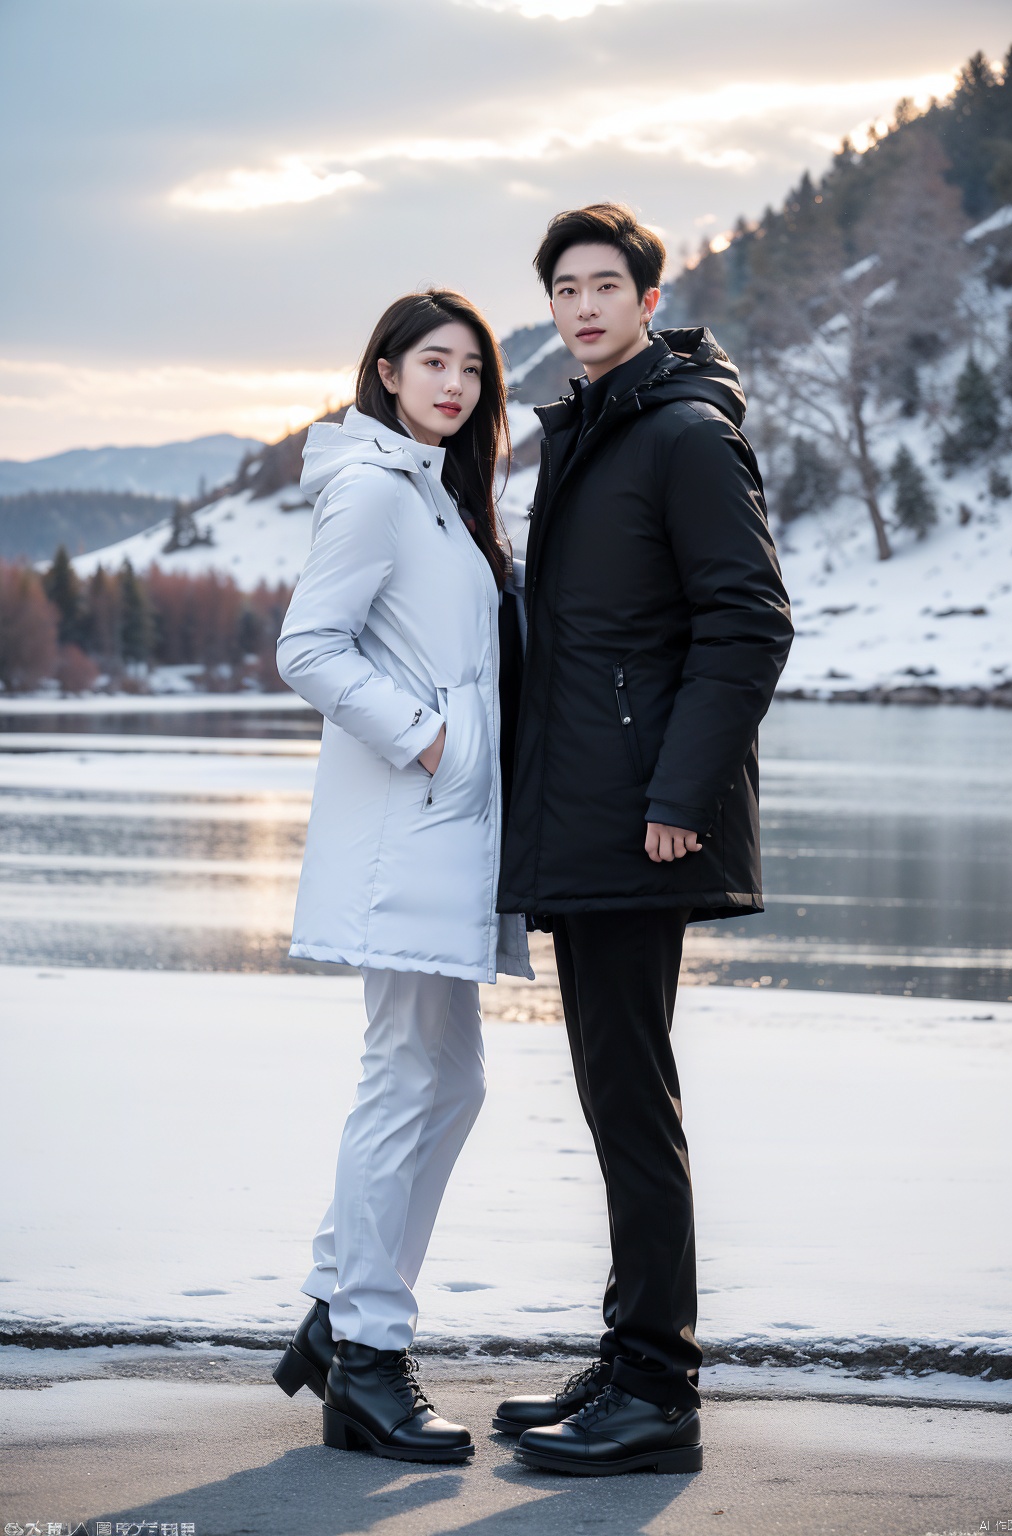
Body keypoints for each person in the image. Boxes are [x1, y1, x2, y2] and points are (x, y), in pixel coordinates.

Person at [493, 204, 793, 1476]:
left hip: (638, 827)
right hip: (590, 813)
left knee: (631, 1099)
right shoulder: (591, 430)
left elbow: (749, 623)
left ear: (648, 300)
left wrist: (675, 797)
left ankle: (658, 1390)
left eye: (604, 284)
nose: (581, 305)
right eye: (563, 288)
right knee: (617, 1094)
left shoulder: (679, 434)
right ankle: (629, 1357)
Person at [273, 289, 531, 1465]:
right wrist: (427, 737)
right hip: (408, 827)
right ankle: (368, 1360)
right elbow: (308, 647)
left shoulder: (440, 496)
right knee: (404, 1079)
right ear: (383, 371)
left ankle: (338, 1308)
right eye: (434, 363)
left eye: (473, 369)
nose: (456, 386)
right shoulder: (377, 491)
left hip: (450, 831)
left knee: (450, 1083)